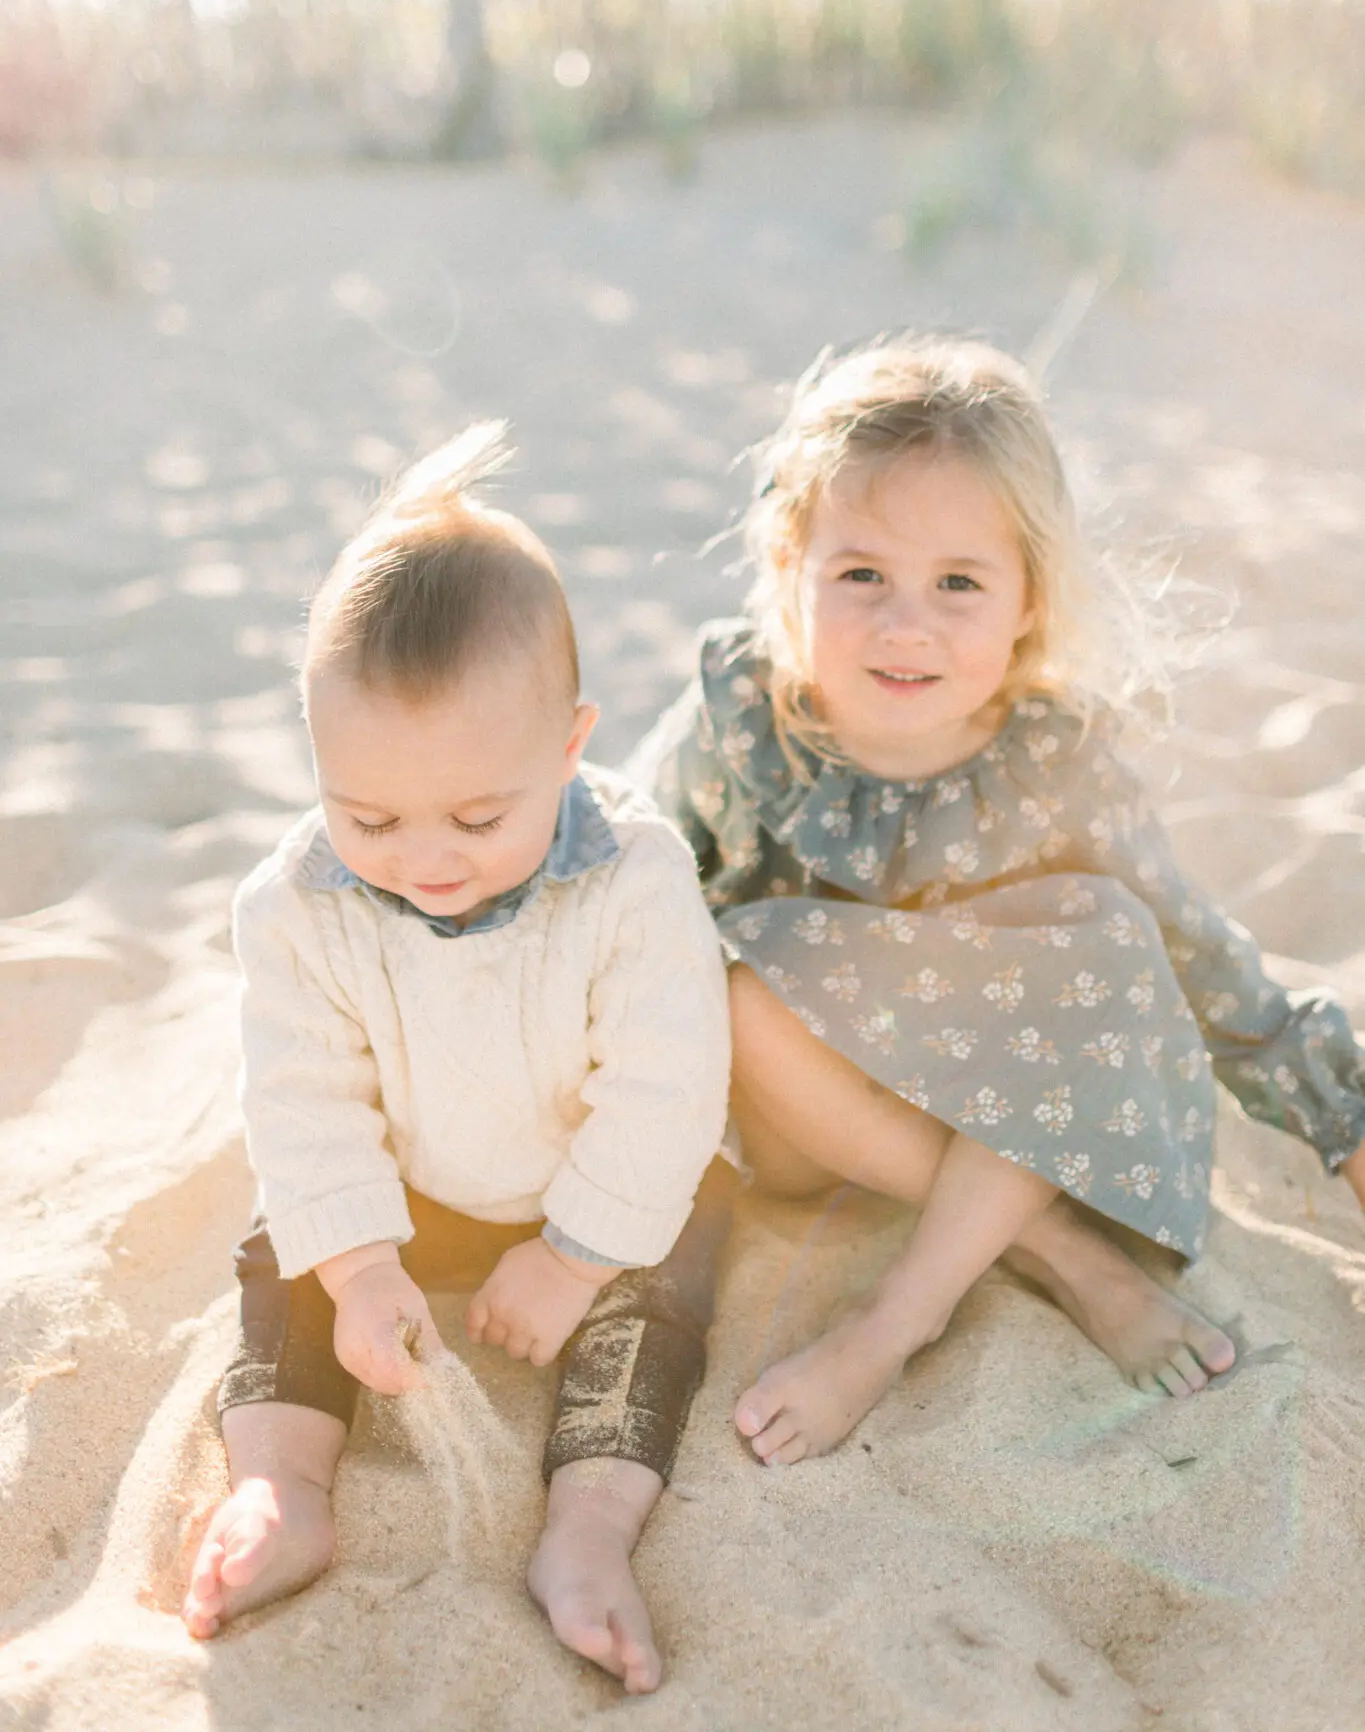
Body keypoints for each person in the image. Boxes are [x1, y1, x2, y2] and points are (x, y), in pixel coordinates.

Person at [635, 331, 1365, 1468]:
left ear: (1029, 596)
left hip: (1034, 1120)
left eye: (959, 582)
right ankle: (1069, 1255)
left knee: (1111, 935)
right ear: (792, 561)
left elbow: (1206, 961)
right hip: (817, 1119)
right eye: (861, 572)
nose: (905, 623)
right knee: (727, 973)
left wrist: (1346, 1125)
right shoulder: (743, 724)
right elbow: (624, 882)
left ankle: (897, 1319)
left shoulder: (1051, 756)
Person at [181, 423, 732, 1695]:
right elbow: (307, 1095)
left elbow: (666, 1087)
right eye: (366, 814)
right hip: (409, 1177)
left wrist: (575, 1251)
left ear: (570, 744)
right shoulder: (294, 904)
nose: (426, 856)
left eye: (480, 817)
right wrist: (365, 1259)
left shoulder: (634, 879)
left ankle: (589, 1528)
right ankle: (282, 1483)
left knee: (663, 1284)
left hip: (594, 1184)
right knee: (286, 1248)